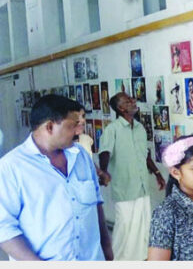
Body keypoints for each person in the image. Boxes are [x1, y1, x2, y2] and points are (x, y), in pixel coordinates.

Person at [0, 95, 113, 260]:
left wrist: (106, 247)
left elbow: (96, 204)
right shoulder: (11, 167)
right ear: (50, 127)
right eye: (73, 125)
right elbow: (4, 228)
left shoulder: (80, 155)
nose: (79, 131)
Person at [99, 92, 166, 260]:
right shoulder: (112, 129)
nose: (133, 101)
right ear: (121, 108)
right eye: (128, 101)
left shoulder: (140, 128)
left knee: (143, 225)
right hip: (124, 186)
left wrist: (157, 173)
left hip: (142, 185)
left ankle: (140, 258)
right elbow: (105, 152)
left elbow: (145, 154)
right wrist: (103, 171)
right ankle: (116, 259)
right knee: (125, 226)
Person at [73, 108, 111, 186]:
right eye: (76, 117)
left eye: (83, 116)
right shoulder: (60, 147)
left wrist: (100, 173)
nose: (82, 121)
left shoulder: (86, 139)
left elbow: (88, 161)